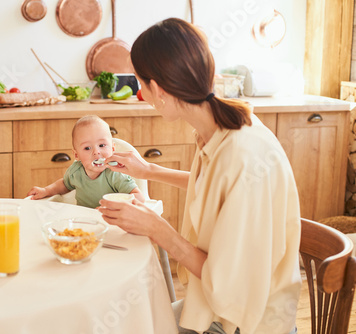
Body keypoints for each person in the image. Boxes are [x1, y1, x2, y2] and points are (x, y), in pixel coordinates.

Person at [98, 18, 301, 334]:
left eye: (140, 84)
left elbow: (229, 286)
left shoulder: (244, 154)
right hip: (213, 306)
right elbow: (217, 187)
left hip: (243, 322)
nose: (141, 95)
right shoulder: (224, 128)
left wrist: (157, 228)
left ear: (159, 89)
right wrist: (148, 170)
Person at [27, 115, 144, 208]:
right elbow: (64, 184)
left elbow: (139, 196)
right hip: (85, 221)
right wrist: (46, 190)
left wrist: (117, 206)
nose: (96, 152)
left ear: (113, 149)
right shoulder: (76, 171)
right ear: (76, 155)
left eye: (102, 145)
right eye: (87, 148)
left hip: (113, 222)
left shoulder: (114, 173)